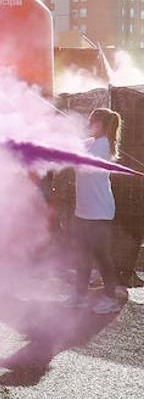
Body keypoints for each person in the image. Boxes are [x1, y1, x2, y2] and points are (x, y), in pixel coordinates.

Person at [72, 108, 129, 315]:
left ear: (103, 125)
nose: (89, 125)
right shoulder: (91, 143)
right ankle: (79, 295)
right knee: (82, 255)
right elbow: (77, 148)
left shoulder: (103, 146)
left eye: (92, 121)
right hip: (84, 211)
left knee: (102, 256)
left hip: (99, 213)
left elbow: (80, 161)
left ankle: (111, 297)